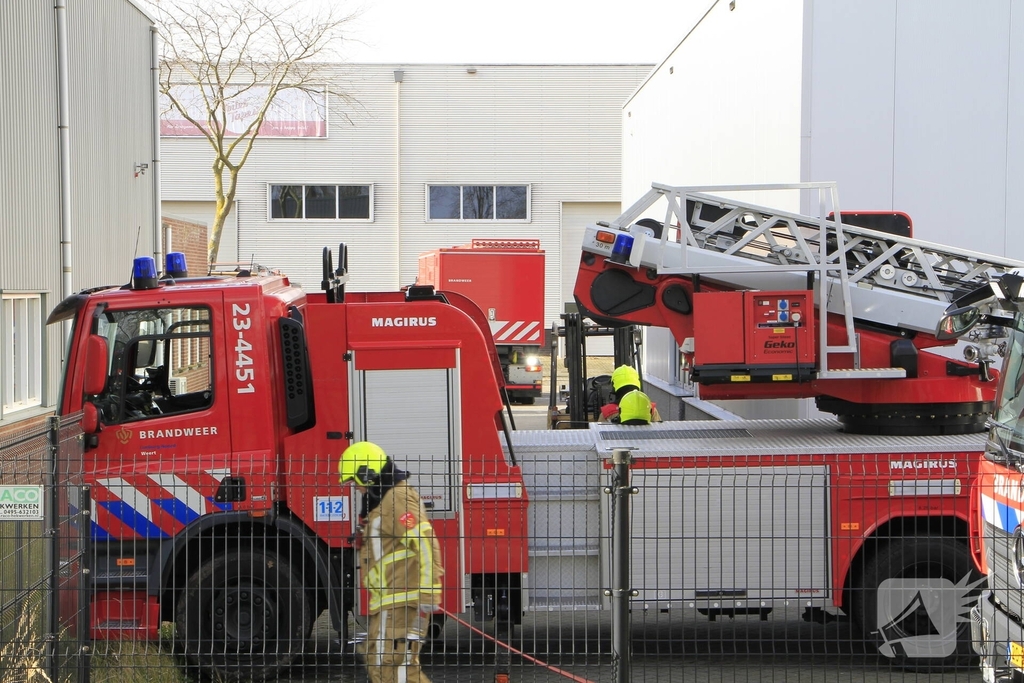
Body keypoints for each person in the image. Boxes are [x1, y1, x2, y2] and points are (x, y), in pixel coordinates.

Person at [338, 441, 443, 683]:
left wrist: (428, 592)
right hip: (389, 604)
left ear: (368, 473)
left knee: (395, 670)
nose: (356, 488)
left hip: (401, 603)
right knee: (382, 665)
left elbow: (425, 543)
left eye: (355, 481)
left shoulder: (396, 500)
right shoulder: (383, 501)